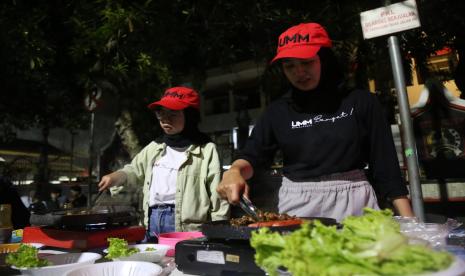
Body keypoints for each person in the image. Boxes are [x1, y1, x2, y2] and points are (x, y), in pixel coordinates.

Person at [216, 23, 414, 222]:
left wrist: (412, 224)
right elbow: (253, 155)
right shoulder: (277, 111)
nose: (299, 72)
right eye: (289, 66)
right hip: (297, 208)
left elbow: (386, 167)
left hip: (355, 203)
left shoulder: (361, 102)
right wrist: (235, 170)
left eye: (307, 62)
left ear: (324, 60)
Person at [98, 86, 230, 241]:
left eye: (173, 113)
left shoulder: (206, 149)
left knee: (180, 265)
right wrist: (117, 176)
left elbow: (217, 193)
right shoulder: (154, 147)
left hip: (186, 228)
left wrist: (220, 229)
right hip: (152, 220)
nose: (164, 118)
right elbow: (134, 170)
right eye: (160, 112)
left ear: (190, 116)